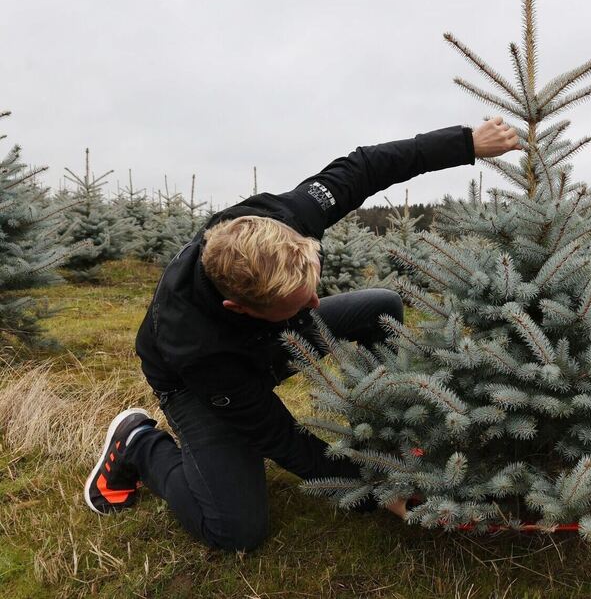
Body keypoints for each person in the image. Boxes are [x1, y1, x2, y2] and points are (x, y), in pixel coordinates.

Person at [83, 118, 521, 552]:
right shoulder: (197, 347)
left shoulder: (288, 217)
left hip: (267, 340)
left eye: (313, 290)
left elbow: (369, 165)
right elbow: (279, 437)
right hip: (194, 385)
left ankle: (389, 435)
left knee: (380, 306)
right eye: (298, 303)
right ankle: (138, 442)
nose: (317, 306)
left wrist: (466, 143)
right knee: (235, 529)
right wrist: (369, 492)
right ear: (240, 307)